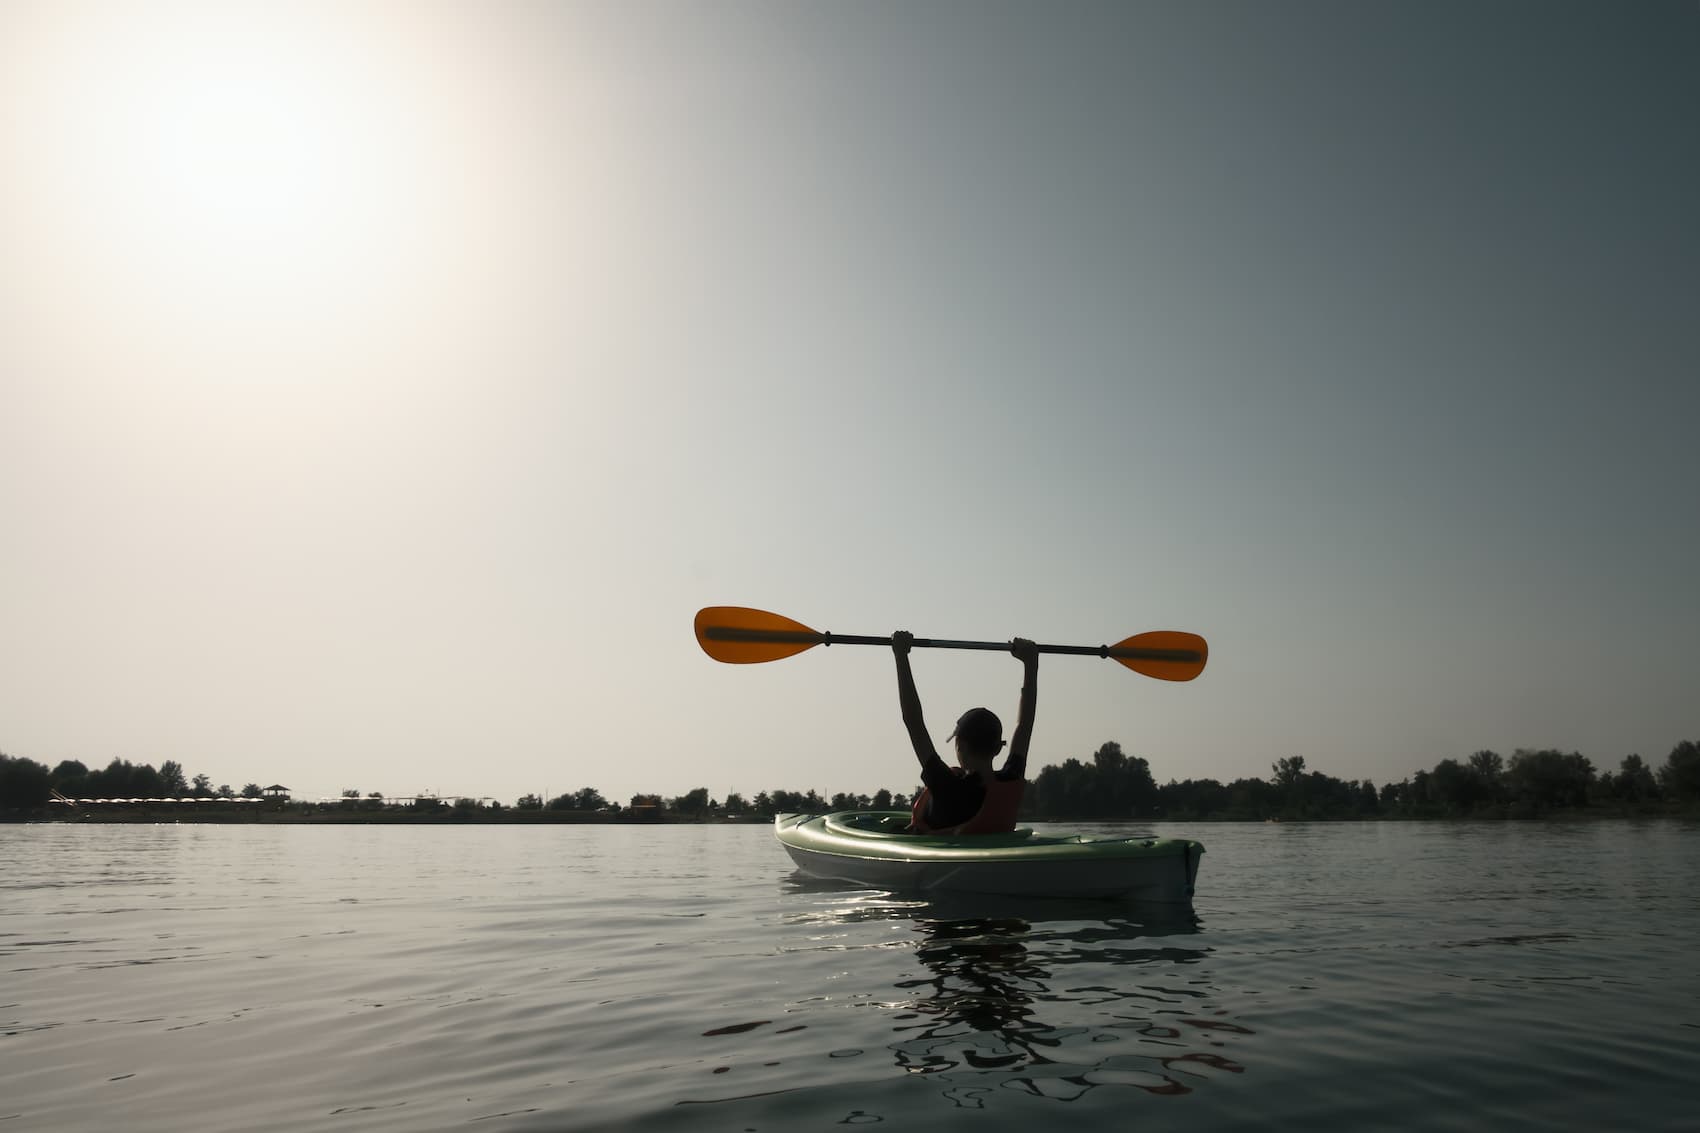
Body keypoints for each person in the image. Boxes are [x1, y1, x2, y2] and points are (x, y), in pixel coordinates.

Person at [892, 629, 1038, 834]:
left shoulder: (946, 786)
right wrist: (1031, 663)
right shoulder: (1011, 778)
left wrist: (900, 655)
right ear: (997, 748)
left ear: (962, 745)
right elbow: (1024, 725)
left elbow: (913, 721)